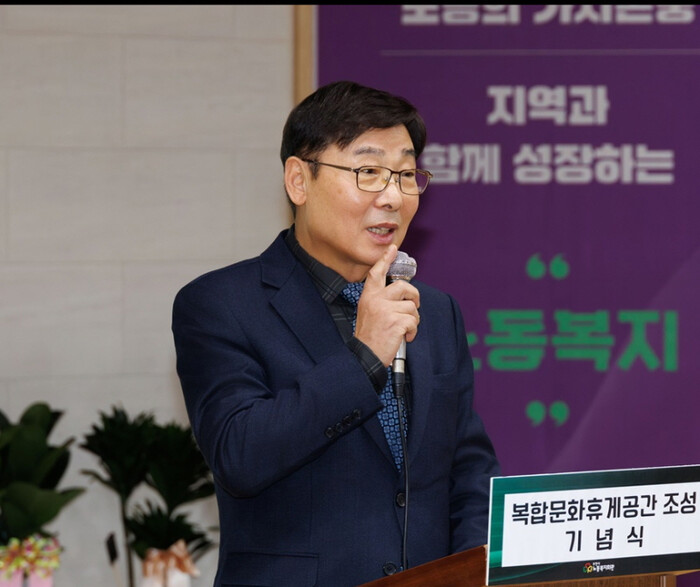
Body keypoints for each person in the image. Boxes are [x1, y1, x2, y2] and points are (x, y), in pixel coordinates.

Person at [172, 80, 500, 587]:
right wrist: (364, 356)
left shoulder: (435, 311)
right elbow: (240, 456)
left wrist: (468, 574)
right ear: (299, 181)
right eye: (368, 172)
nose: (392, 196)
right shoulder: (221, 304)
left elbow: (469, 471)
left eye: (406, 175)